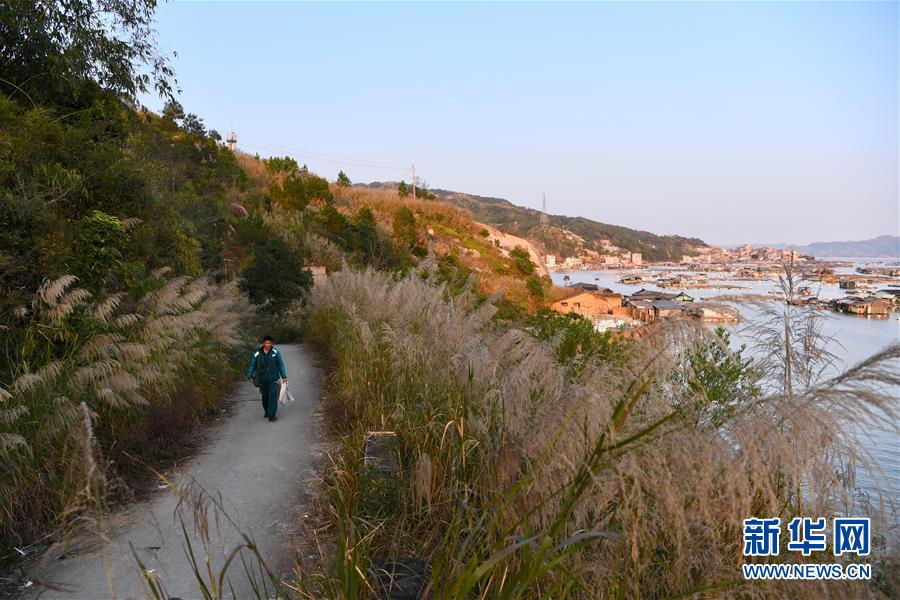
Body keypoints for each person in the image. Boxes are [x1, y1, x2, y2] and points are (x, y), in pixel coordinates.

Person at [246, 335, 287, 421]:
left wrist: (284, 376)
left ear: (272, 344)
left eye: (269, 343)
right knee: (264, 396)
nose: (267, 345)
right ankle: (267, 412)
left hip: (273, 377)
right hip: (262, 378)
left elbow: (280, 364)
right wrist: (250, 376)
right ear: (263, 343)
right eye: (266, 343)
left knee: (273, 395)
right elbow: (252, 365)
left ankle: (272, 415)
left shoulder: (275, 352)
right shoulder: (257, 353)